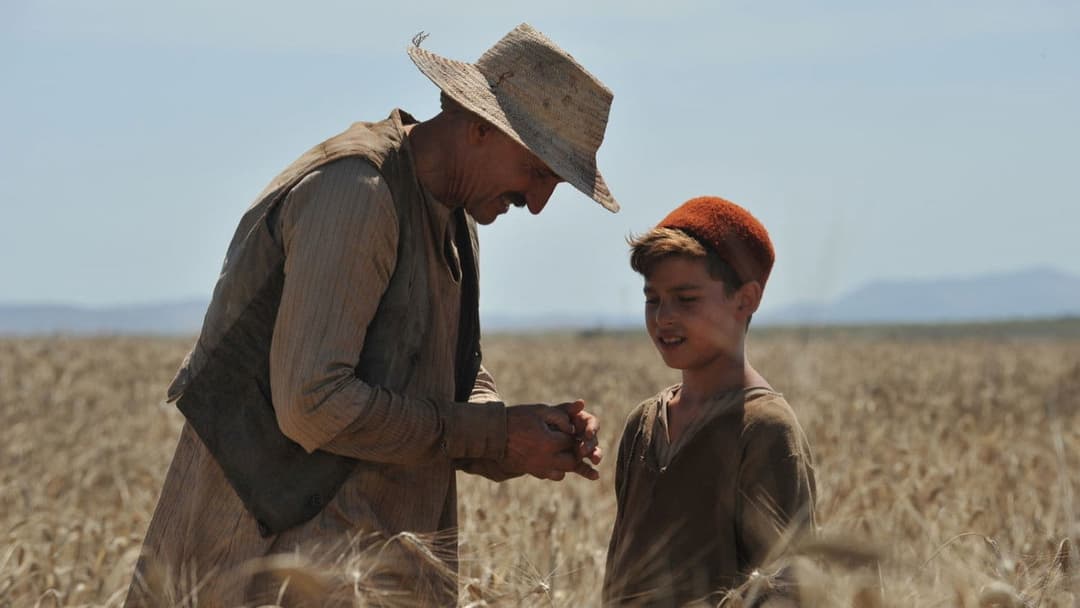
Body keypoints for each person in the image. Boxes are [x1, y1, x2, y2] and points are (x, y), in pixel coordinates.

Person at [124, 23, 618, 607]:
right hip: (256, 567)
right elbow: (315, 405)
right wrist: (489, 432)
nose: (537, 204)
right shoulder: (356, 193)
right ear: (482, 125)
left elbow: (447, 377)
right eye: (538, 173)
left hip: (361, 570)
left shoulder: (455, 216)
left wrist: (522, 436)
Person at [602, 196, 816, 606]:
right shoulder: (642, 424)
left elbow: (788, 589)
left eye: (686, 299)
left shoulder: (764, 429)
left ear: (745, 300)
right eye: (652, 299)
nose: (664, 316)